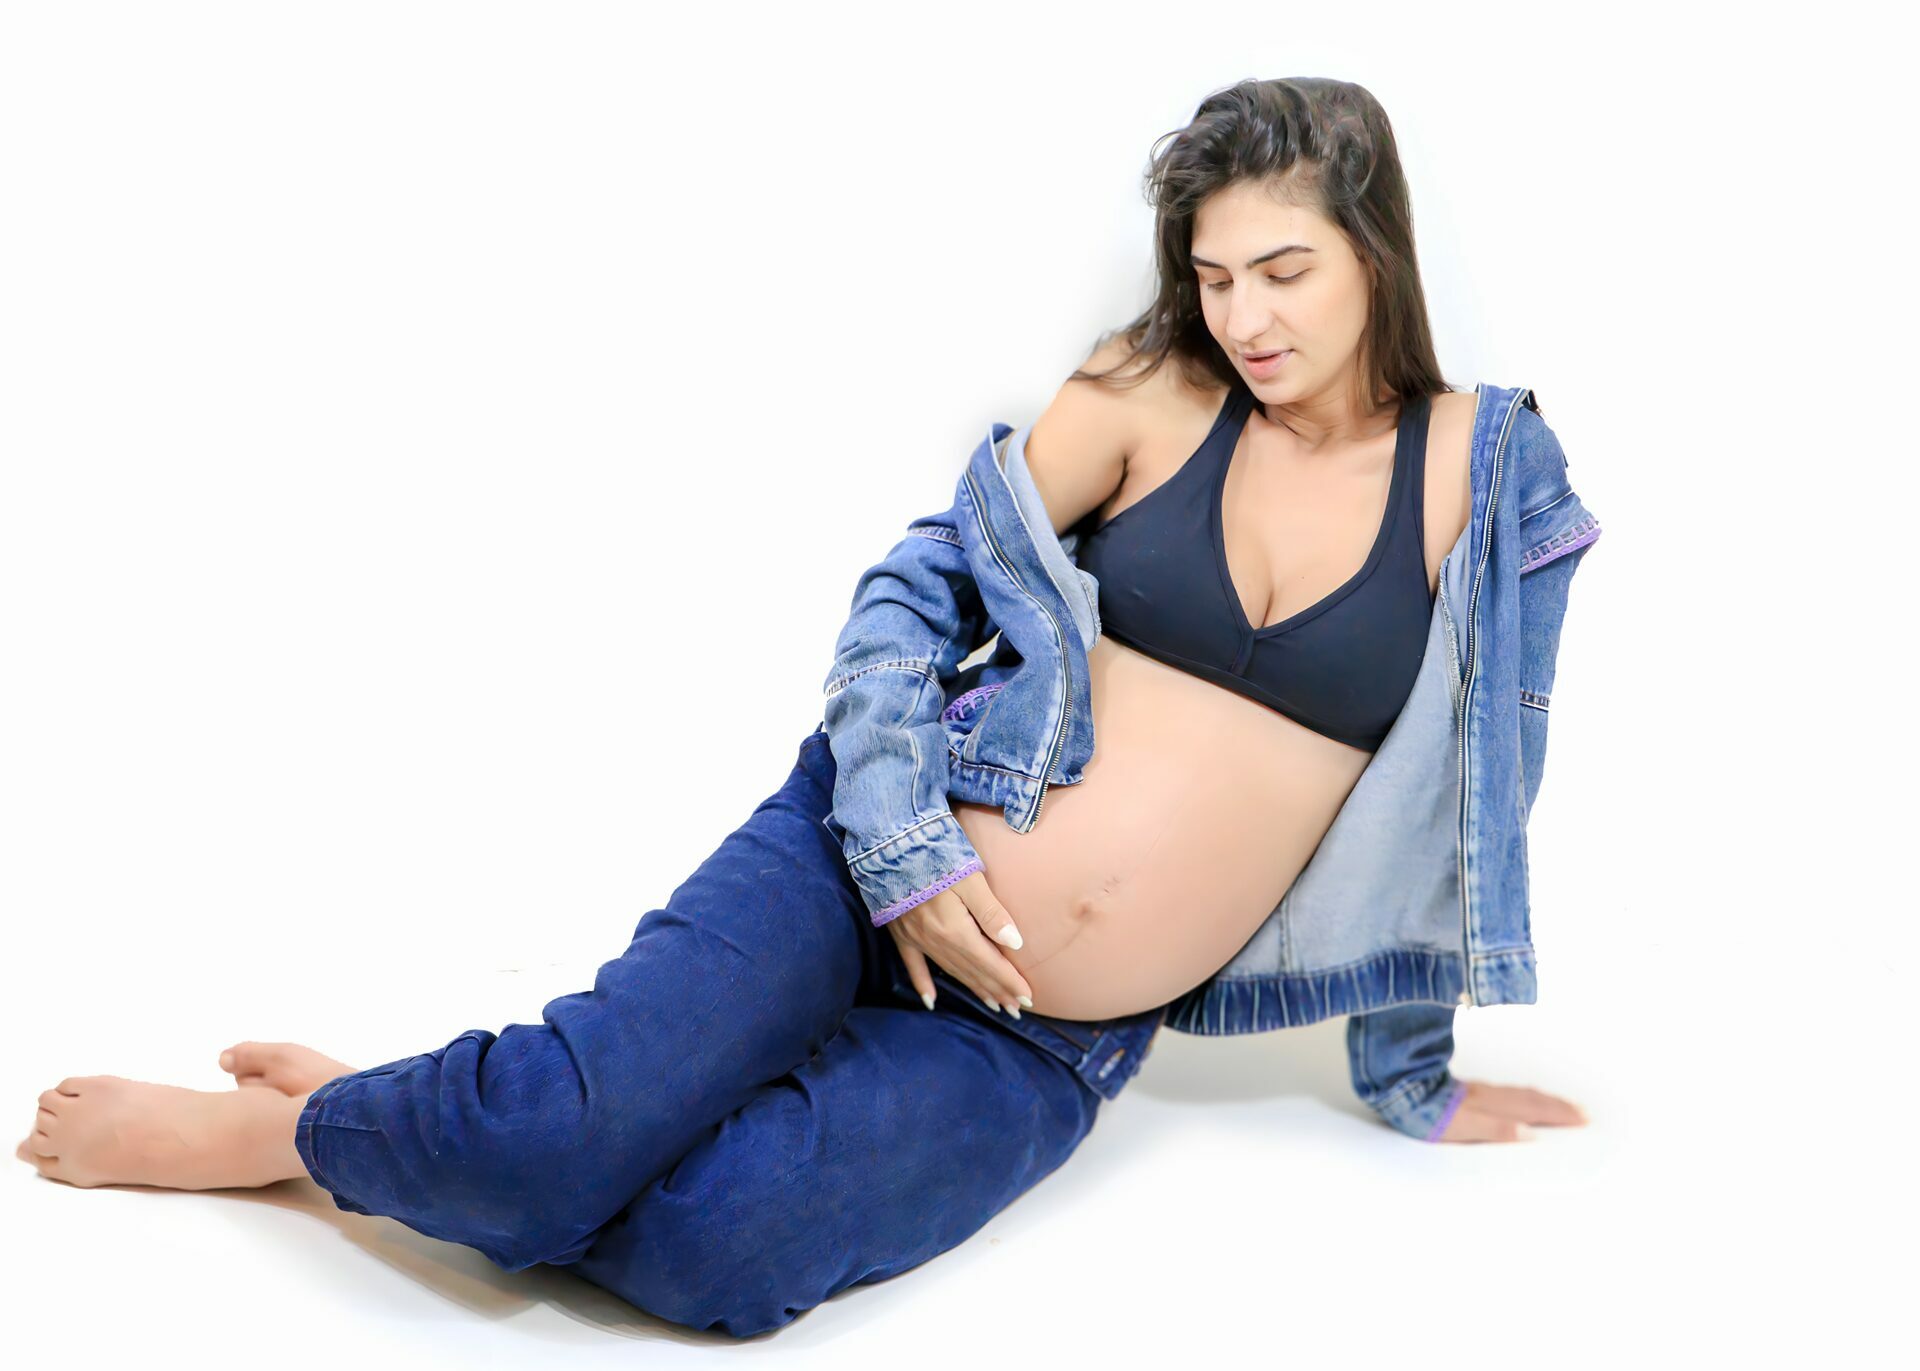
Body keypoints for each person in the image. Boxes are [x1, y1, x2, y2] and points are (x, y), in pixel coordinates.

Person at [17, 76, 1598, 1338]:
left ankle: (444, 1137)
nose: (1246, 319)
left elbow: (1471, 790)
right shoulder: (1153, 392)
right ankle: (292, 1141)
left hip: (1041, 1040)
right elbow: (915, 592)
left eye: (1285, 272)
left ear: (1375, 250)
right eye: (1214, 275)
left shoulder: (1484, 472)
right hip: (858, 865)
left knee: (715, 1253)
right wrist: (905, 842)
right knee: (560, 1135)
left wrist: (1410, 1073)